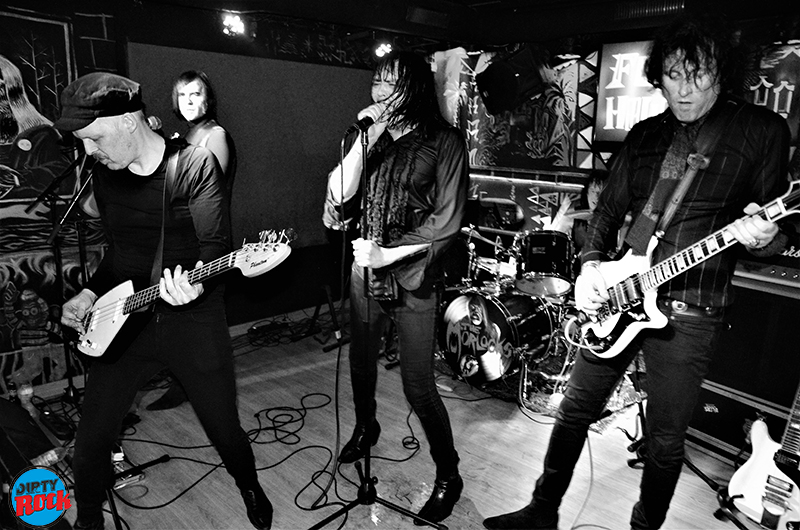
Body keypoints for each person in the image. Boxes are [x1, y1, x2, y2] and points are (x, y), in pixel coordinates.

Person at [483, 14, 790, 530]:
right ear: (658, 76)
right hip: (621, 294)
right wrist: (590, 267)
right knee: (574, 410)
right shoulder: (646, 134)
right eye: (673, 74)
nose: (684, 88)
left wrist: (766, 236)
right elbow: (606, 213)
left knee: (665, 442)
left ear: (722, 71)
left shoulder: (760, 131)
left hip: (692, 308)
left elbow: (777, 234)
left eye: (698, 74)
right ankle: (541, 511)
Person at [56, 72, 271, 530]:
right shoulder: (106, 174)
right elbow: (120, 254)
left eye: (94, 139)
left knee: (223, 427)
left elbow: (216, 249)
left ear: (128, 121)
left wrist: (196, 286)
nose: (89, 151)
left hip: (193, 318)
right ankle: (88, 520)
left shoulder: (194, 165)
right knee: (92, 437)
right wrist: (89, 292)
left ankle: (249, 485)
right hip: (127, 320)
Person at [323, 50, 469, 525]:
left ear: (415, 87)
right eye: (377, 82)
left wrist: (390, 253)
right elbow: (339, 197)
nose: (381, 92)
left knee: (418, 386)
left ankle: (448, 474)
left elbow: (447, 221)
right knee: (361, 365)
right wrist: (365, 140)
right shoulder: (370, 136)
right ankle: (366, 427)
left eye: (392, 83)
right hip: (365, 273)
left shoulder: (444, 141)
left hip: (414, 277)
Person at [146, 69, 237, 412]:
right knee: (179, 319)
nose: (187, 101)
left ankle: (199, 391)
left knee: (201, 323)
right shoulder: (188, 136)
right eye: (182, 95)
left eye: (195, 94)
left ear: (207, 99)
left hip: (203, 242)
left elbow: (204, 192)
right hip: (182, 239)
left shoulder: (215, 136)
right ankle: (182, 381)